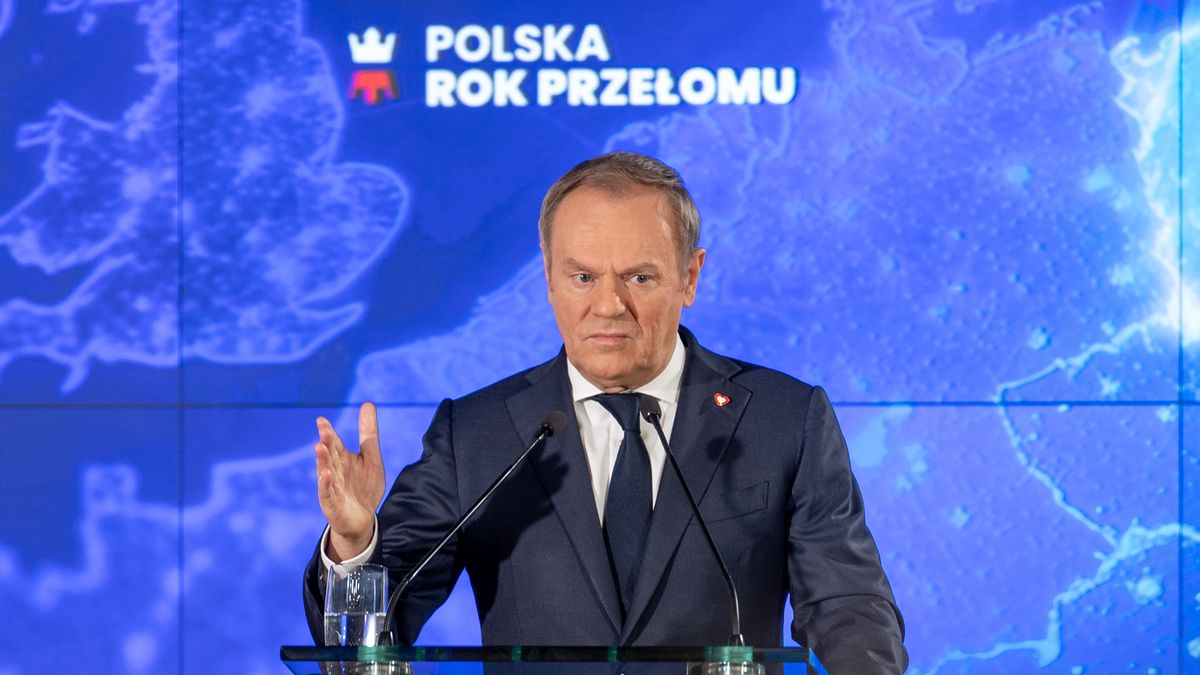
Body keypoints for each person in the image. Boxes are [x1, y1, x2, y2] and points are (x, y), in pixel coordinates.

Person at [303, 152, 907, 673]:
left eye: (639, 277)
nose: (608, 305)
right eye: (583, 276)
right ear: (548, 279)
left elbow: (847, 603)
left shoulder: (782, 419)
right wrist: (355, 545)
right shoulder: (479, 434)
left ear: (690, 277)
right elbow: (376, 637)